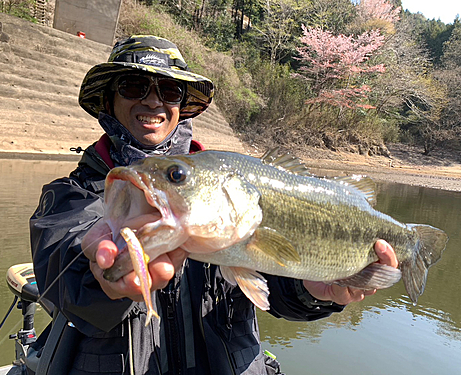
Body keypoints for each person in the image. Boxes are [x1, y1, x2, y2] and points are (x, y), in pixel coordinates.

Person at [30, 35, 399, 375]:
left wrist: (319, 292)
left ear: (181, 106)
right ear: (109, 100)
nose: (153, 100)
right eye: (133, 86)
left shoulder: (226, 189)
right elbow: (61, 277)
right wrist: (105, 274)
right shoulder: (70, 195)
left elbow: (273, 287)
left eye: (170, 90)